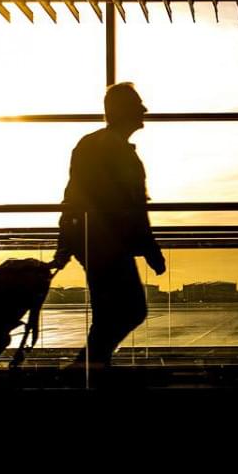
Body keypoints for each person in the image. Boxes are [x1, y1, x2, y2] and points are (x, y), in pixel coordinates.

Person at [52, 82, 166, 368]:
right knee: (130, 310)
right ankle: (87, 367)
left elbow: (74, 196)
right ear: (123, 110)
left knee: (112, 312)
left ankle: (90, 368)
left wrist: (65, 243)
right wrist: (150, 249)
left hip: (94, 241)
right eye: (138, 104)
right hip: (107, 244)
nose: (144, 109)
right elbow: (131, 207)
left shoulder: (93, 145)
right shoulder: (114, 150)